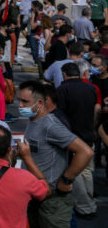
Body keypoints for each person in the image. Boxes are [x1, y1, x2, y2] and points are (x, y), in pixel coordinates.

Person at [18, 80, 94, 225]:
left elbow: (85, 152)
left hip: (52, 201)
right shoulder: (33, 121)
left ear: (40, 103)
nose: (20, 105)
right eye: (19, 100)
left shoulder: (50, 125)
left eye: (25, 101)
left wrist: (67, 179)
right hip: (36, 196)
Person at [53, 62, 99, 218]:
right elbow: (95, 109)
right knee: (87, 171)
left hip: (72, 138)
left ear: (64, 74)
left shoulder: (62, 90)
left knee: (75, 172)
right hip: (88, 135)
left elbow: (59, 117)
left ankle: (84, 206)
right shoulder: (91, 88)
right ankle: (90, 201)